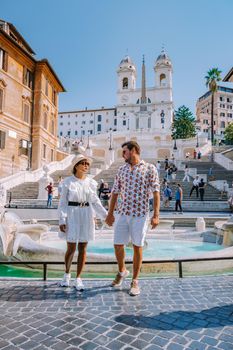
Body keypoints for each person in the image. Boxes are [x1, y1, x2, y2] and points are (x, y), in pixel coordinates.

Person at [105, 141, 160, 296]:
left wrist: (156, 215)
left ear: (134, 150)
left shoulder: (150, 168)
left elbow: (156, 192)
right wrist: (110, 214)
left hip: (140, 215)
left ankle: (135, 280)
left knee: (137, 246)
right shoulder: (121, 170)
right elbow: (115, 192)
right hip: (123, 213)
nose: (123, 155)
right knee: (117, 244)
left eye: (125, 152)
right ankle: (122, 271)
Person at [58, 154, 107, 290]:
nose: (86, 166)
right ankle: (67, 274)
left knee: (83, 247)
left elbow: (95, 202)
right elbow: (62, 203)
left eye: (87, 164)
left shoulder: (91, 183)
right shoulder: (67, 182)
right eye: (83, 163)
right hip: (72, 213)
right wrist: (62, 219)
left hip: (86, 213)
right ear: (76, 165)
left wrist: (105, 215)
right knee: (71, 247)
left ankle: (78, 278)